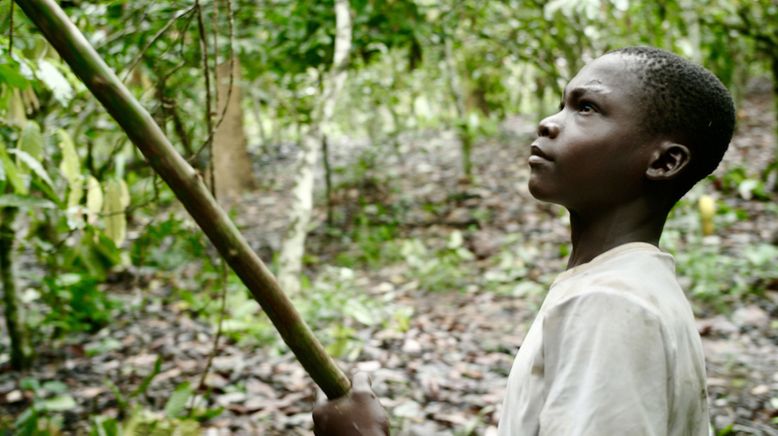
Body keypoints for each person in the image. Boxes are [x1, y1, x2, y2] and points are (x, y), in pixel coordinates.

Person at [312, 46, 736, 436]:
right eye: (562, 104)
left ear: (664, 161)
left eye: (586, 108)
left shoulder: (610, 302)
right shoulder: (627, 286)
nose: (548, 123)